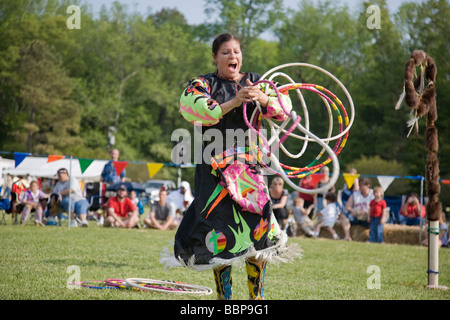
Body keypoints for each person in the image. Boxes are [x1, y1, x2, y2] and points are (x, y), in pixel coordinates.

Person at [166, 33, 296, 300]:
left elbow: (283, 110)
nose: (232, 56)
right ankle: (224, 299)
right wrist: (236, 101)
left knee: (259, 235)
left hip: (248, 170)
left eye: (236, 51)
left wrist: (261, 97)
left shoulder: (258, 81)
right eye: (225, 52)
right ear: (215, 57)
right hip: (214, 173)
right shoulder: (202, 84)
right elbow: (199, 110)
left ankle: (255, 297)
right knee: (220, 235)